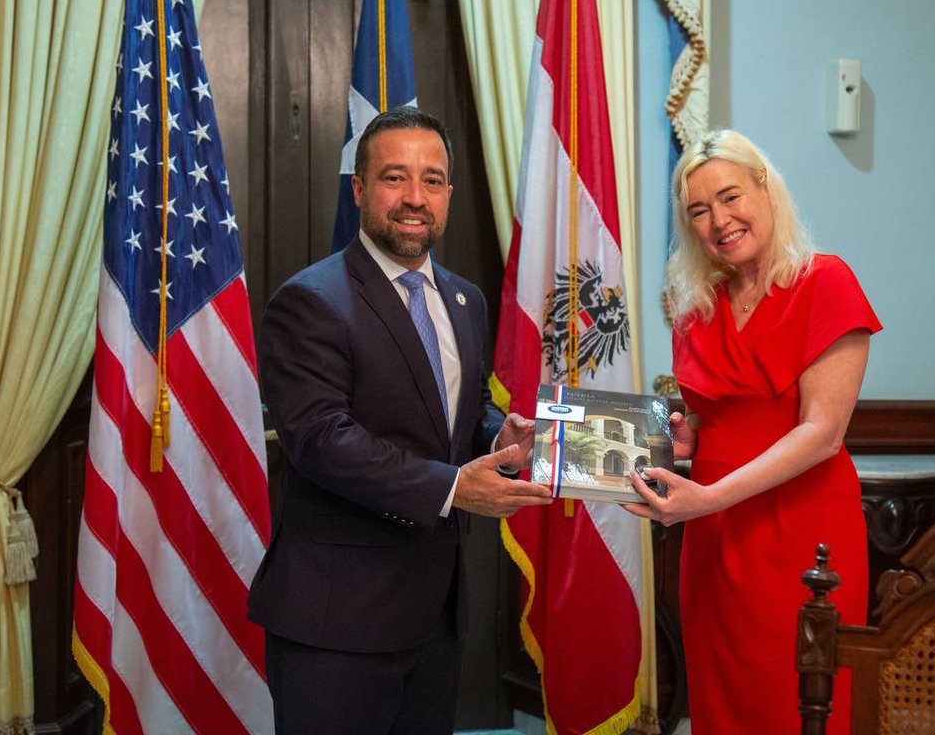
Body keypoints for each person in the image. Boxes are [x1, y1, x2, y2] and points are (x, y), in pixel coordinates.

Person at [247, 107, 553, 734]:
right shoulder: (310, 301)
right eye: (395, 177)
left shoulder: (464, 299)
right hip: (337, 622)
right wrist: (453, 488)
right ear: (359, 189)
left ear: (448, 194)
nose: (416, 198)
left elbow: (457, 412)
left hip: (436, 615)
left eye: (433, 180)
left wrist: (500, 434)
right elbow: (321, 441)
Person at [625, 129, 881, 734]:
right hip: (713, 537)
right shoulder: (694, 304)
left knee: (800, 703)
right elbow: (714, 422)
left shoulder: (826, 281)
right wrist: (687, 442)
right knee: (722, 703)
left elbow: (822, 432)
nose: (719, 220)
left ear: (766, 188)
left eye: (731, 196)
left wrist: (707, 497)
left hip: (803, 537)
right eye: (699, 210)